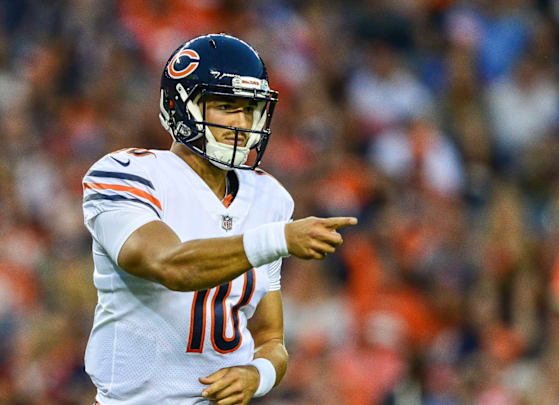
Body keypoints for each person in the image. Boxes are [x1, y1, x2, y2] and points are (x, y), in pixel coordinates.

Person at [81, 33, 357, 405]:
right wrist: (278, 239)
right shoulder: (126, 173)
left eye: (250, 108)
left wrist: (255, 375)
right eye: (227, 106)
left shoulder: (270, 197)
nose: (242, 122)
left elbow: (271, 340)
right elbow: (169, 265)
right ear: (181, 107)